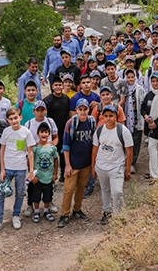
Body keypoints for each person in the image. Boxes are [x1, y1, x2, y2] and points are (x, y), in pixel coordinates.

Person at [0, 107, 36, 234]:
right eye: (11, 119)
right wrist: (2, 169)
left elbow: (30, 153)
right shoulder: (6, 131)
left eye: (16, 118)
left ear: (20, 117)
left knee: (20, 193)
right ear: (7, 120)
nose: (14, 121)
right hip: (8, 168)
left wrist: (31, 170)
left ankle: (15, 215)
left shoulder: (26, 132)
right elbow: (2, 150)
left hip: (21, 168)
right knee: (1, 194)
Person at [57, 98, 97, 228]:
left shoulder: (91, 122)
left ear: (88, 109)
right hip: (73, 163)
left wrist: (93, 164)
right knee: (68, 189)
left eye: (85, 109)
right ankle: (64, 214)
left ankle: (77, 210)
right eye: (80, 109)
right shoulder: (71, 123)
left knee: (81, 188)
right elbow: (66, 146)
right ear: (77, 110)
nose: (83, 112)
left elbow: (94, 144)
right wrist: (67, 165)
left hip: (85, 163)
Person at [91, 105, 134, 225]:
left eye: (111, 116)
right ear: (102, 117)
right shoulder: (99, 131)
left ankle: (119, 214)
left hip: (117, 166)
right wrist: (93, 167)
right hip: (101, 165)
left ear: (116, 116)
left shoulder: (123, 131)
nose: (108, 118)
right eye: (106, 116)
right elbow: (94, 149)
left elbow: (129, 150)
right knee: (105, 189)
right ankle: (107, 212)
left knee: (117, 191)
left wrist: (128, 169)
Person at [44, 76, 70, 183]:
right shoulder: (47, 100)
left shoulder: (66, 99)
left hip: (64, 130)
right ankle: (49, 176)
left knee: (63, 153)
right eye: (56, 85)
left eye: (60, 85)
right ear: (52, 86)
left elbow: (69, 114)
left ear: (63, 86)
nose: (58, 87)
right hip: (52, 132)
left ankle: (63, 175)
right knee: (50, 154)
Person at [31, 122, 59, 223]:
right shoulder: (35, 148)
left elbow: (56, 160)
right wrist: (33, 175)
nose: (44, 134)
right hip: (38, 177)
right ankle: (37, 211)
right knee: (36, 195)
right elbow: (30, 161)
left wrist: (55, 174)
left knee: (48, 195)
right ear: (38, 134)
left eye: (46, 132)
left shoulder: (52, 148)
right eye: (42, 132)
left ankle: (46, 211)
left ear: (49, 134)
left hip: (49, 177)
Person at [124, 68, 146, 172]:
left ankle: (132, 162)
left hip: (137, 119)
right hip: (126, 118)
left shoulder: (140, 89)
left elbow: (144, 103)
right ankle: (125, 162)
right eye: (128, 77)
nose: (130, 79)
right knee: (126, 141)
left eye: (132, 77)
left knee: (136, 141)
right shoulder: (123, 89)